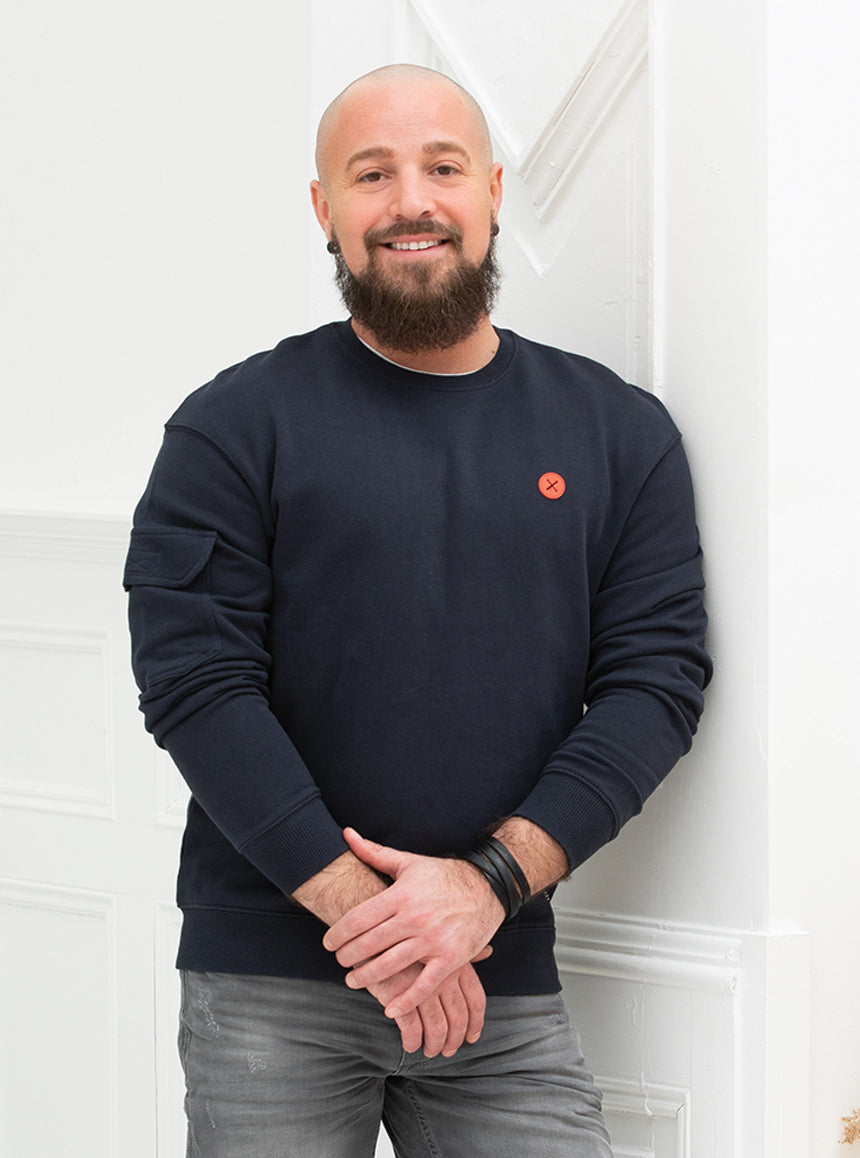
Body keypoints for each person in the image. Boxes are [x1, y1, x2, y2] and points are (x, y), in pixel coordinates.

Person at [124, 63, 711, 1157]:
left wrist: (484, 891)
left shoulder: (618, 433)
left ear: (491, 190)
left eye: (442, 167)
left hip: (498, 976)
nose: (410, 202)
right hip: (271, 989)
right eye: (371, 174)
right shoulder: (231, 426)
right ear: (324, 208)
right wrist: (376, 920)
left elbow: (657, 685)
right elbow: (195, 686)